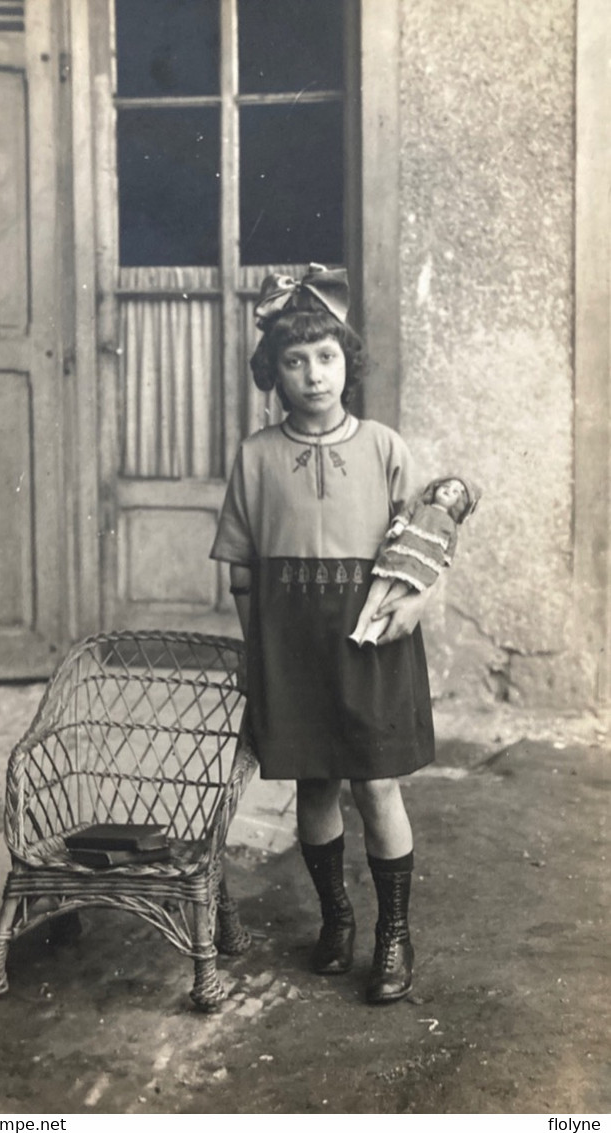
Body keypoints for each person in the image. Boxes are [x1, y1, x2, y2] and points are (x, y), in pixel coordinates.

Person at [210, 264, 439, 1005]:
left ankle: (393, 935)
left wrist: (420, 601)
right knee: (315, 781)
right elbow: (242, 572)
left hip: (370, 637)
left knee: (376, 783)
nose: (314, 375)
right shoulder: (254, 457)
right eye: (295, 359)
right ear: (271, 372)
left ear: (349, 363)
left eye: (329, 357)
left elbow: (429, 549)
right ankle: (335, 918)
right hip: (292, 644)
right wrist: (257, 657)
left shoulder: (383, 446)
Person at [349, 476, 480, 647]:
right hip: (396, 557)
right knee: (374, 597)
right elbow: (404, 517)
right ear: (435, 488)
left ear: (458, 502)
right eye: (446, 486)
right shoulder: (419, 507)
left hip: (416, 570)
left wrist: (433, 568)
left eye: (455, 491)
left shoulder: (450, 527)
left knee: (391, 602)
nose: (448, 490)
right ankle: (358, 632)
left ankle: (371, 636)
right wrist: (397, 529)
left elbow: (446, 557)